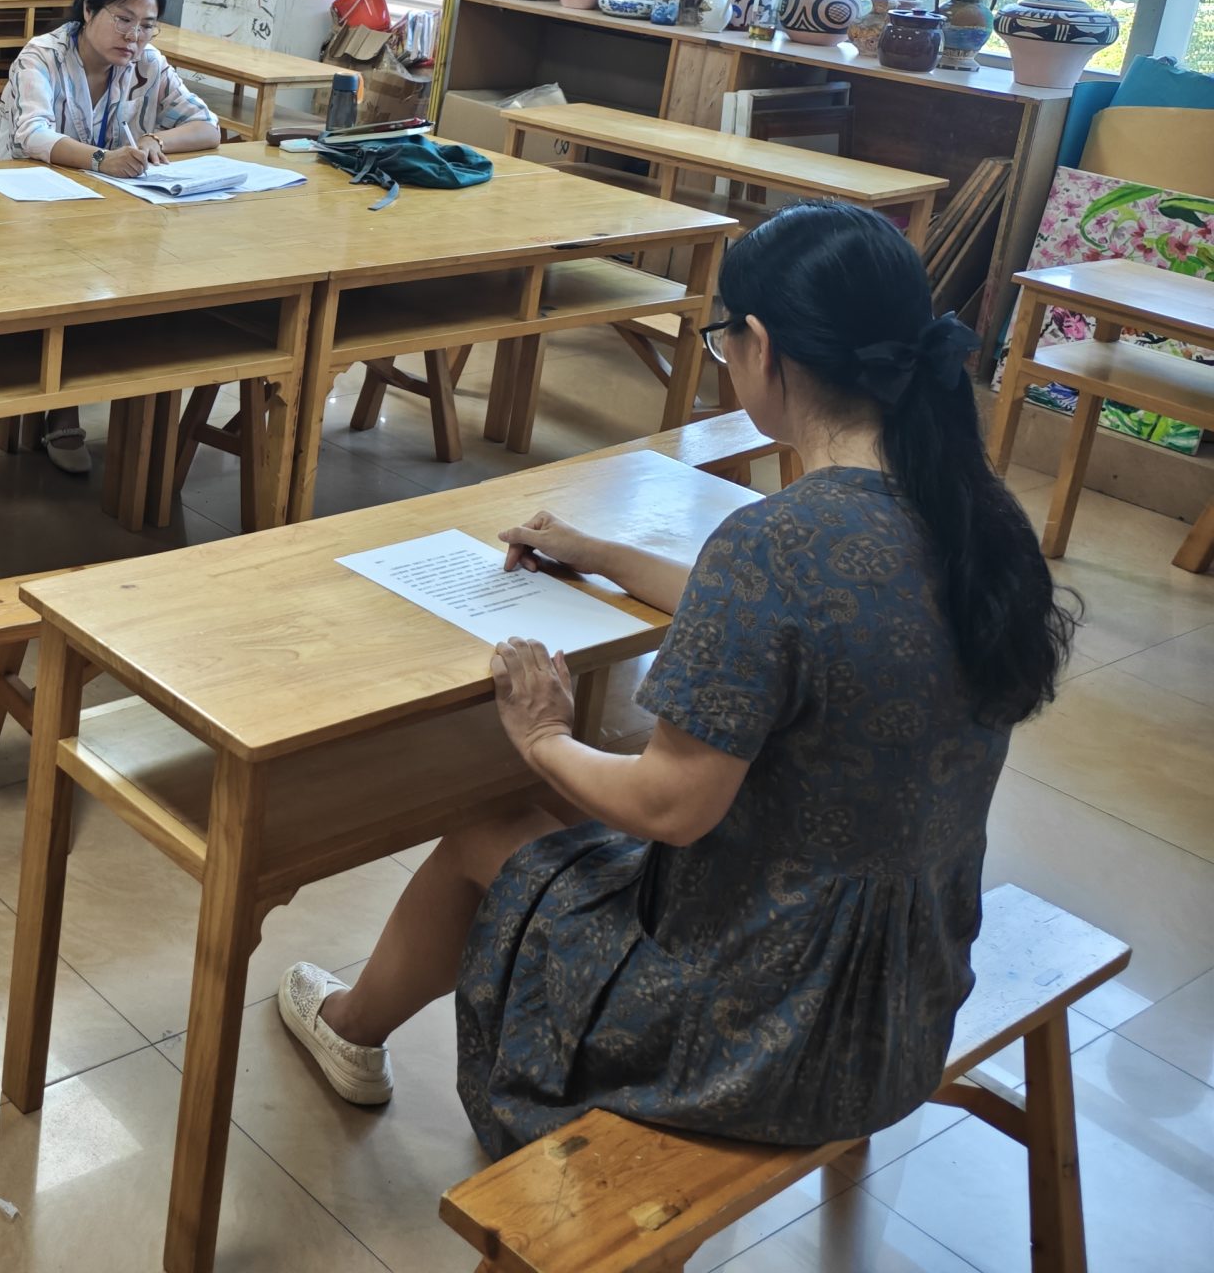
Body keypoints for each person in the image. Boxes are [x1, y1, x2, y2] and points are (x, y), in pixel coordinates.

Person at [274, 201, 1078, 1155]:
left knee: (491, 828)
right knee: (571, 815)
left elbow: (670, 807)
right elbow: (807, 619)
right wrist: (602, 554)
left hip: (757, 1033)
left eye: (723, 337)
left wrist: (542, 735)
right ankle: (356, 1024)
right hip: (904, 994)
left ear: (761, 346)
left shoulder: (775, 543)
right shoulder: (976, 521)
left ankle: (350, 1029)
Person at [0, 0, 221, 474]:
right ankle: (60, 408)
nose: (134, 36)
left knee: (154, 274)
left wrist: (155, 138)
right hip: (27, 207)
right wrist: (101, 159)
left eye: (147, 25)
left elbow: (207, 126)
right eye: (123, 19)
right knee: (67, 274)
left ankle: (133, 405)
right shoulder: (42, 56)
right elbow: (31, 135)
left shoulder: (148, 64)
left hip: (107, 212)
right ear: (89, 10)